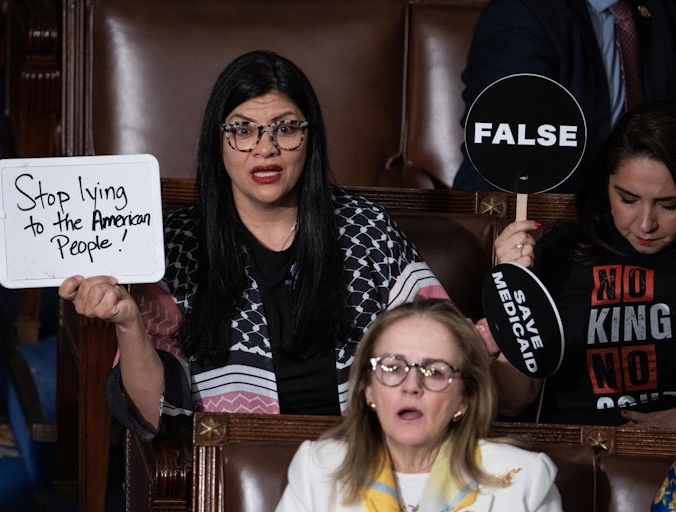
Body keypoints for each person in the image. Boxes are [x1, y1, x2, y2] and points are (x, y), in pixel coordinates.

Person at [58, 50, 448, 440]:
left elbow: (449, 354)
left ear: (310, 137)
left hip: (361, 462)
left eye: (286, 128)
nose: (266, 148)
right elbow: (158, 414)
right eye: (243, 130)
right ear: (219, 141)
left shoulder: (365, 228)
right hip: (236, 470)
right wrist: (128, 322)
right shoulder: (176, 246)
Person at [478, 100, 676, 426]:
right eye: (627, 199)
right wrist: (510, 288)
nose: (645, 224)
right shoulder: (560, 252)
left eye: (668, 205)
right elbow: (515, 402)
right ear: (605, 186)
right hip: (570, 453)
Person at [276, 296, 562, 512]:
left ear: (465, 397)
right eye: (392, 368)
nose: (411, 386)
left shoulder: (525, 480)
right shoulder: (317, 470)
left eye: (435, 372)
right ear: (368, 391)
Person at [453, 0, 676, 192]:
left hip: (642, 214)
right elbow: (513, 156)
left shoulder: (660, 9)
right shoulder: (522, 13)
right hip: (536, 210)